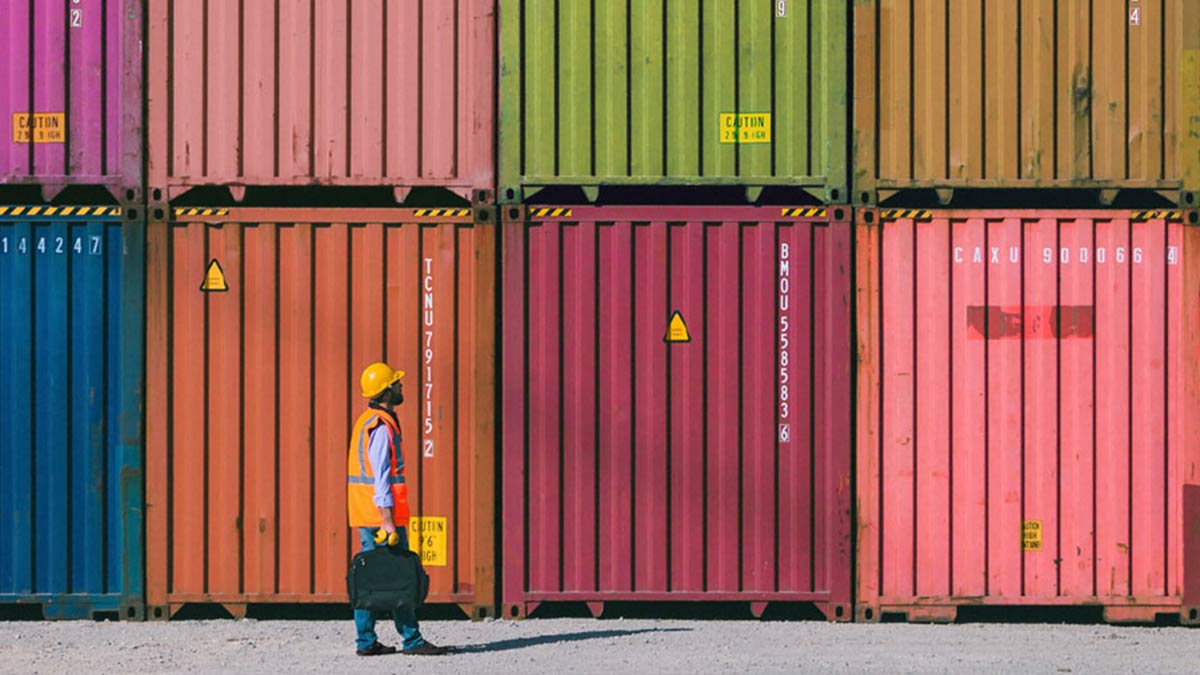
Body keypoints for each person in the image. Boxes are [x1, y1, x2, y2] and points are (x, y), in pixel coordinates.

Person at [347, 362, 450, 656]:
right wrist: (387, 520)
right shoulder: (381, 425)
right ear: (386, 391)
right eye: (397, 383)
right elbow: (380, 475)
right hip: (380, 517)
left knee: (369, 580)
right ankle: (412, 640)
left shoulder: (368, 420)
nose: (401, 386)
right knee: (399, 576)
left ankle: (366, 642)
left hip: (366, 513)